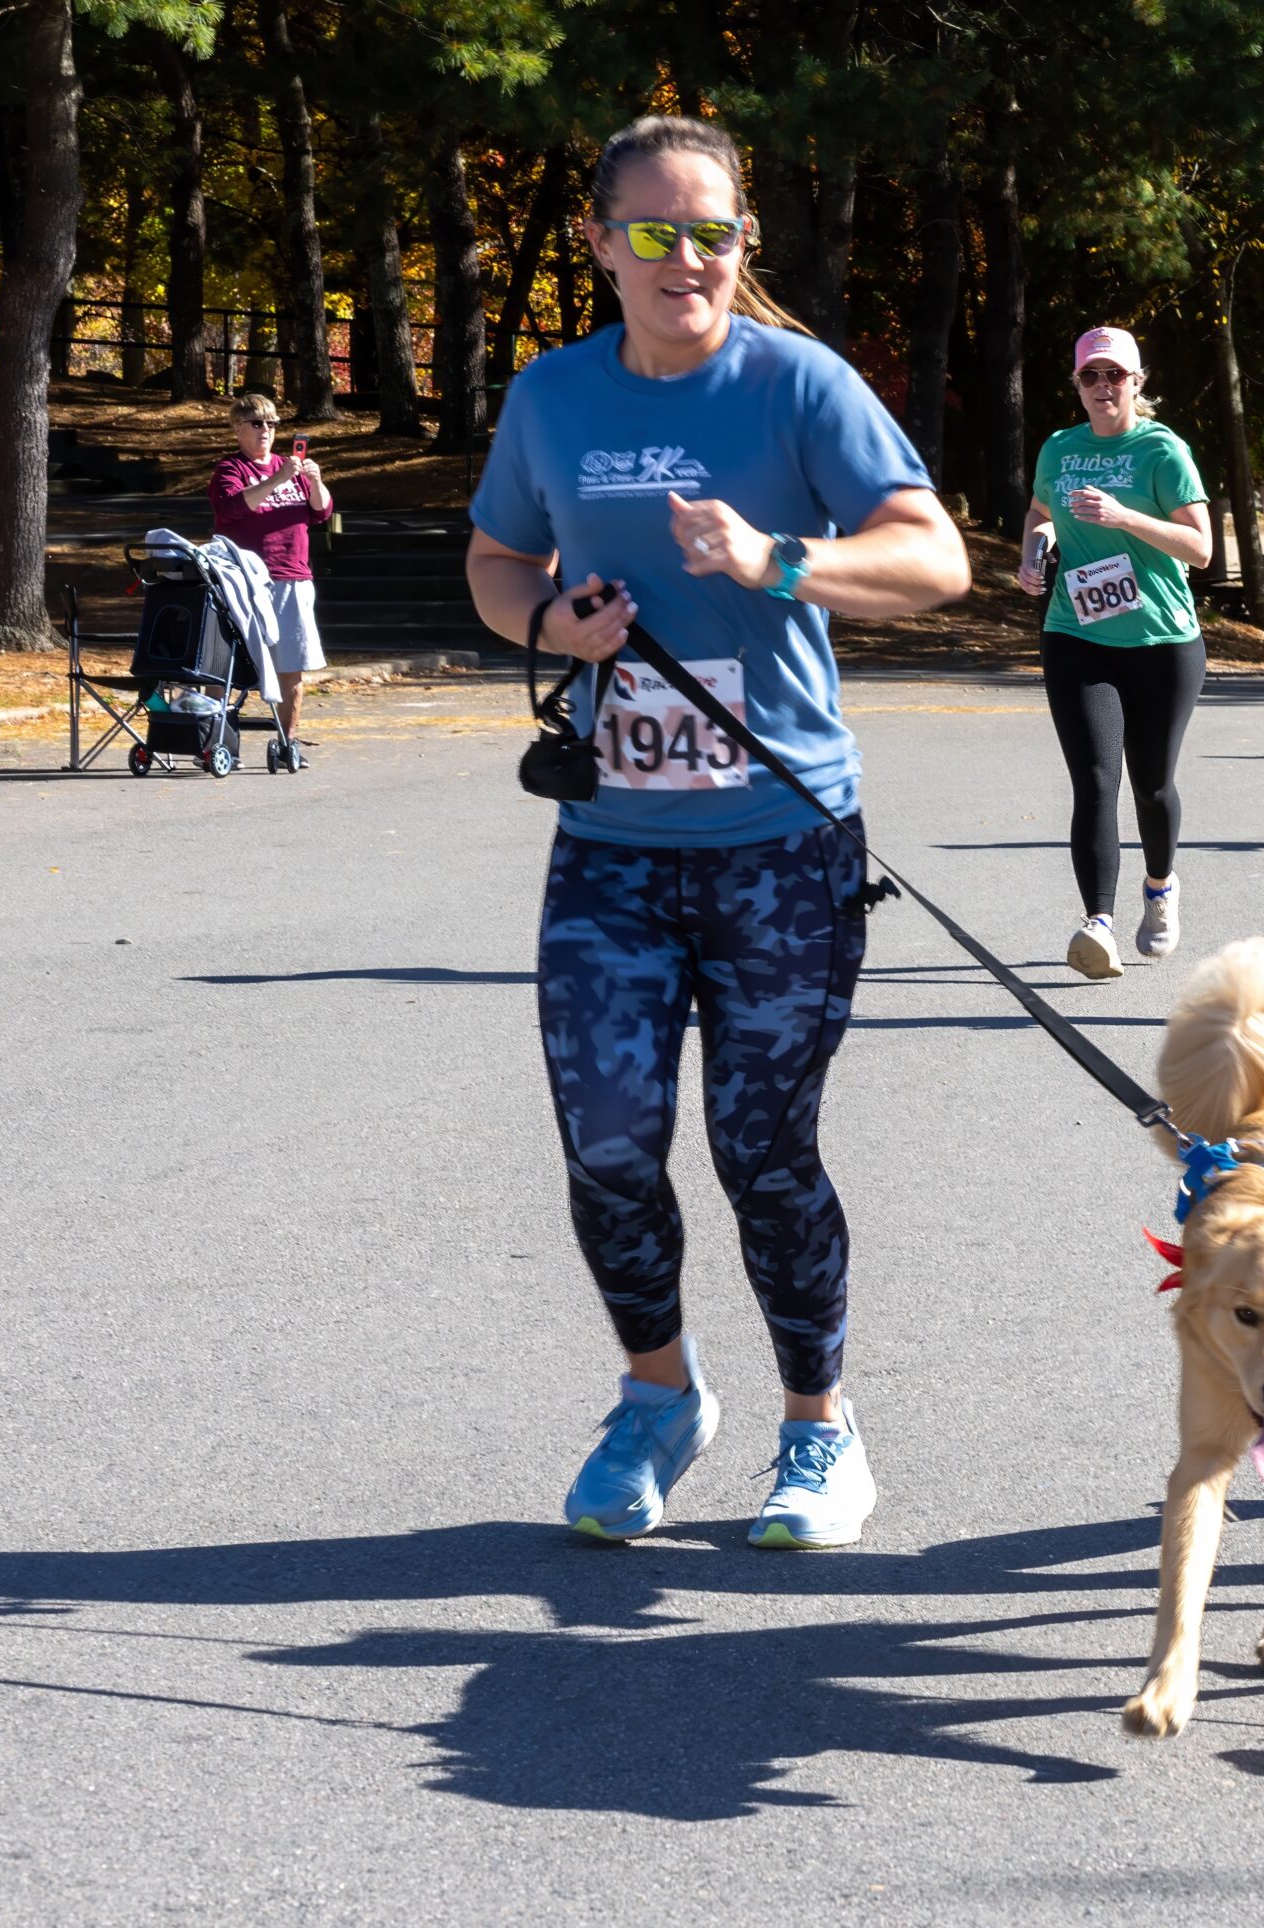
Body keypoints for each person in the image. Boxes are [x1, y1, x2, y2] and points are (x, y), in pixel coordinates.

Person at [463, 115, 971, 1549]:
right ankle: (658, 1398)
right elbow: (499, 561)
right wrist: (549, 621)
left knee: (762, 1147)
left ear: (744, 242)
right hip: (614, 843)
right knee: (610, 1142)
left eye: (715, 233)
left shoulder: (798, 382)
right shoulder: (552, 397)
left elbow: (935, 556)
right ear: (596, 240)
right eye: (653, 232)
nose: (686, 259)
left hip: (779, 839)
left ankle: (821, 1426)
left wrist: (777, 559)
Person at [1016, 328, 1213, 980]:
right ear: (1076, 385)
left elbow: (1201, 548)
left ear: (1138, 382)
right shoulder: (1060, 448)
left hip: (1161, 641)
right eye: (1090, 377)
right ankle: (1096, 921)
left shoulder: (1162, 450)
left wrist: (1123, 516)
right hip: (1077, 632)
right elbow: (1042, 511)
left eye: (1116, 376)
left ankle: (1159, 887)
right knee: (1096, 780)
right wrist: (1033, 549)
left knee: (1152, 785)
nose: (1103, 388)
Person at [209, 392, 331, 765]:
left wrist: (314, 481)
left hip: (293, 578)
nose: (266, 431)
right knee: (222, 665)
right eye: (257, 424)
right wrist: (277, 479)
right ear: (237, 429)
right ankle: (215, 742)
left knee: (291, 667)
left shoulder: (290, 466)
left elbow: (322, 512)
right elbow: (231, 508)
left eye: (272, 424)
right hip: (246, 582)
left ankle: (286, 744)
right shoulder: (231, 470)